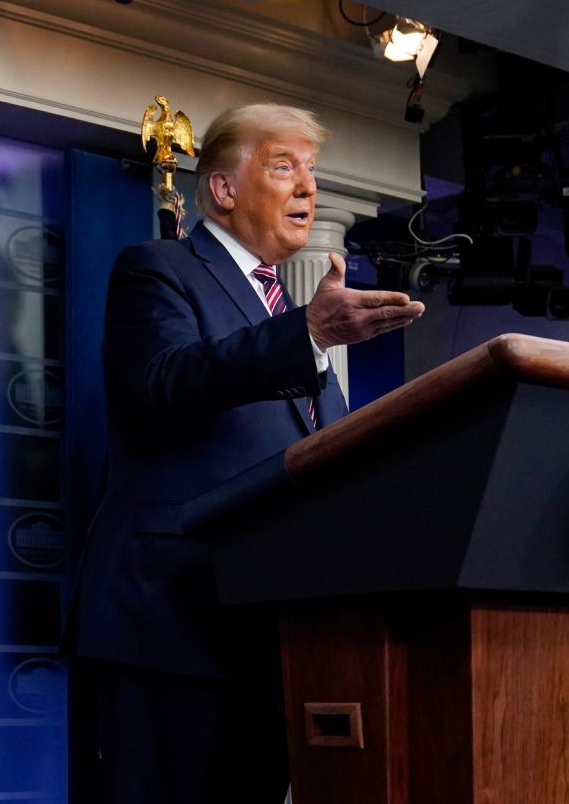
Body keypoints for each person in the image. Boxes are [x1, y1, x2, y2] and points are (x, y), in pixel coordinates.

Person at [72, 103, 425, 803]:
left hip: (271, 631)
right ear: (224, 190)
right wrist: (310, 334)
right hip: (168, 624)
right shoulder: (156, 268)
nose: (307, 188)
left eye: (313, 172)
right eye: (283, 165)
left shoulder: (283, 318)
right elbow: (170, 378)